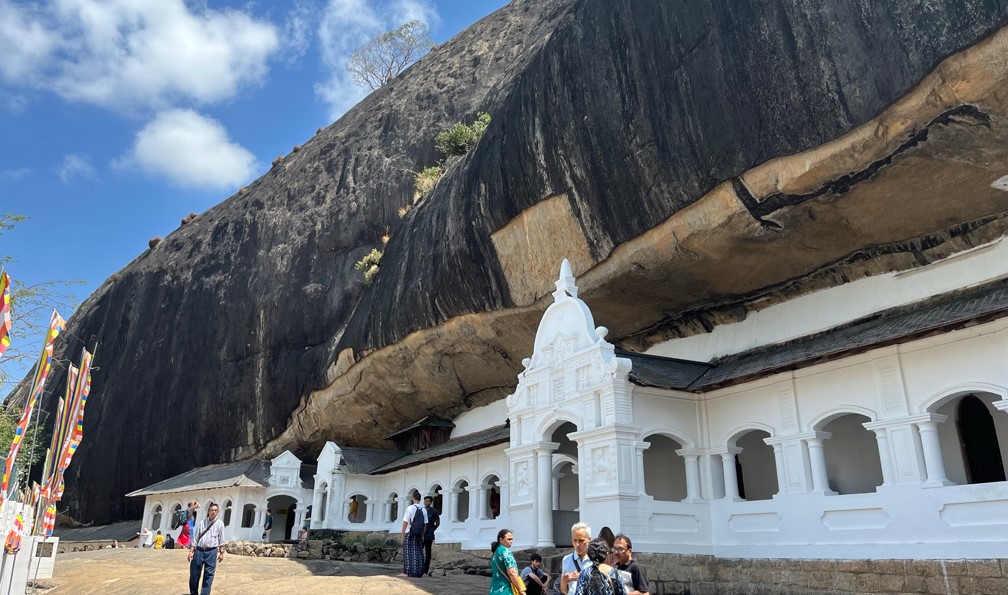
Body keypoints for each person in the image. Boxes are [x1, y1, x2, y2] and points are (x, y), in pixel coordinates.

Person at [188, 501, 225, 595]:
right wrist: (191, 552)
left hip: (212, 552)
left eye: (216, 510)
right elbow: (195, 538)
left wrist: (221, 553)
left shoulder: (220, 524)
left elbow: (221, 540)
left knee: (209, 576)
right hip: (199, 551)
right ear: (208, 511)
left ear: (218, 511)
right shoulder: (202, 523)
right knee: (194, 574)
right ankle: (194, 593)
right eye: (212, 510)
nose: (214, 512)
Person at [489, 529, 526, 595]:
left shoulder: (494, 553)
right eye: (508, 539)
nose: (511, 541)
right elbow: (512, 572)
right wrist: (521, 589)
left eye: (512, 539)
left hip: (494, 589)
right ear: (501, 540)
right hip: (506, 589)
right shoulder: (505, 552)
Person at [559, 522, 592, 595]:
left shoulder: (595, 560)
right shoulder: (566, 560)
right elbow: (565, 591)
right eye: (575, 540)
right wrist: (563, 583)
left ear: (589, 540)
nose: (577, 544)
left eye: (581, 541)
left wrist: (582, 578)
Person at [399, 492, 427, 577]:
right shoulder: (424, 509)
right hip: (419, 533)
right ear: (420, 499)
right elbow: (425, 524)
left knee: (408, 551)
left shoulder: (410, 508)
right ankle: (419, 572)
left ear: (413, 498)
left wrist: (403, 533)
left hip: (410, 532)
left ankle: (407, 572)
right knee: (418, 551)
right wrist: (422, 534)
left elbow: (405, 521)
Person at [422, 495, 441, 576]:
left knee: (428, 553)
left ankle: (425, 571)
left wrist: (432, 529)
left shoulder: (434, 511)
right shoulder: (421, 510)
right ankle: (419, 567)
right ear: (424, 501)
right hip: (421, 535)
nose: (427, 502)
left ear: (431, 502)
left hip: (429, 535)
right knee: (419, 551)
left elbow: (438, 523)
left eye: (429, 501)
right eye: (426, 501)